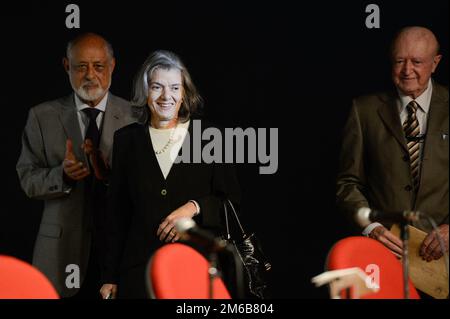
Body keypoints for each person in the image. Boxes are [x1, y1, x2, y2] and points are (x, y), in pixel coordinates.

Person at [100, 50, 240, 299]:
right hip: (138, 273)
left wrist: (194, 207)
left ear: (184, 92)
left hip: (196, 271)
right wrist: (110, 276)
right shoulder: (126, 140)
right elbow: (116, 214)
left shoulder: (210, 137)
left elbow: (231, 202)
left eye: (175, 87)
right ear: (145, 92)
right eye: (157, 87)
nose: (167, 96)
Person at [16, 33, 137, 298]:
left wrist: (110, 177)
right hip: (60, 256)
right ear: (66, 66)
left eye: (99, 66)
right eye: (81, 66)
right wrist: (63, 176)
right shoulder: (41, 116)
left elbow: (147, 185)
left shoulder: (136, 117)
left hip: (120, 254)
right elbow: (27, 178)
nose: (90, 75)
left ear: (113, 66)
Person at [337, 26, 448, 262]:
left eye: (417, 62)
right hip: (383, 259)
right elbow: (348, 184)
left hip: (444, 264)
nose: (407, 70)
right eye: (399, 61)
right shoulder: (363, 111)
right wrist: (370, 227)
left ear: (435, 63)